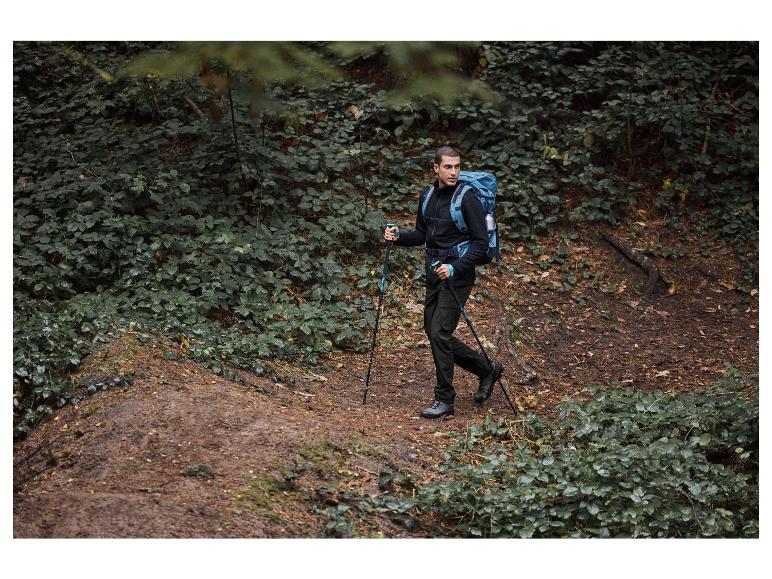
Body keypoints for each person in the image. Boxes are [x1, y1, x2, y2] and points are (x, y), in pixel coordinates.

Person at [384, 146, 503, 419]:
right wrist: (398, 237)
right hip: (434, 273)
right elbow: (422, 234)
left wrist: (454, 267)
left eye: (457, 166)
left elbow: (480, 243)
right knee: (433, 330)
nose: (453, 172)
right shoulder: (427, 196)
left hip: (458, 276)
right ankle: (487, 370)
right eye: (448, 167)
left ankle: (444, 399)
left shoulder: (467, 198)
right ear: (436, 168)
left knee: (439, 332)